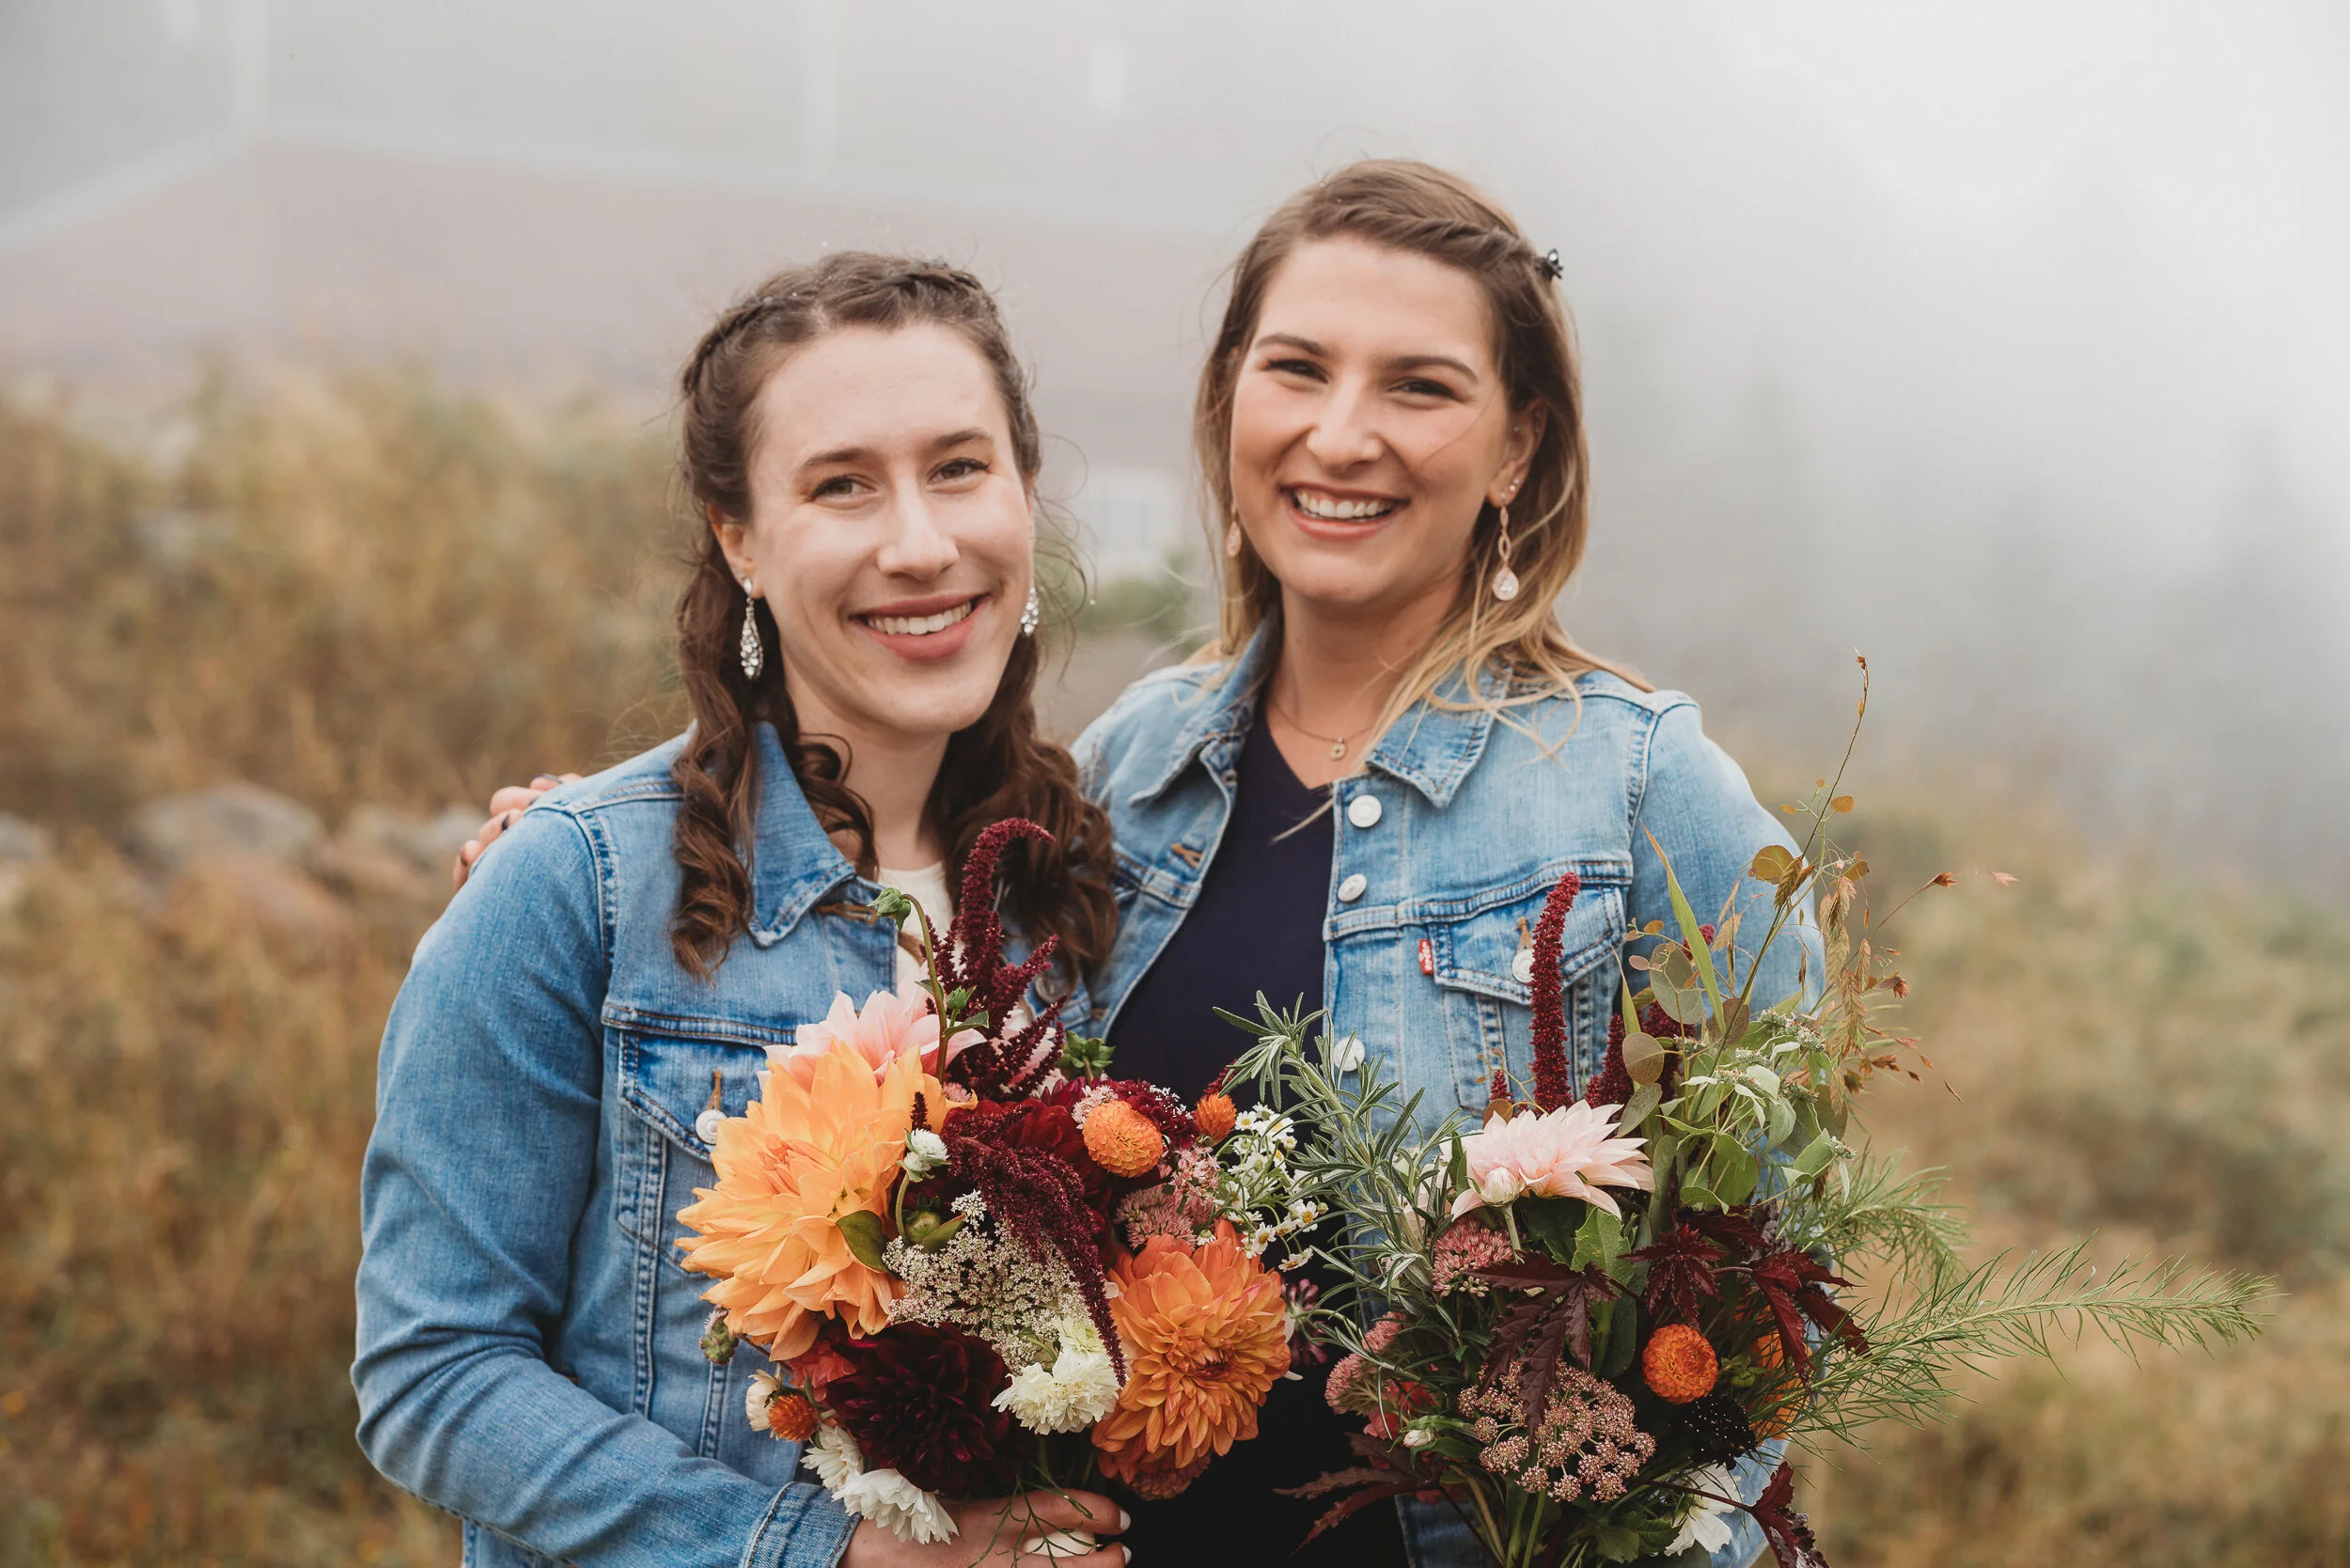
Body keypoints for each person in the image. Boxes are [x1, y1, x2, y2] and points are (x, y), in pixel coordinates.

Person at [459, 162, 1818, 1568]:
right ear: (1231, 400)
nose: (1341, 435)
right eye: (1298, 369)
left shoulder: (1639, 791)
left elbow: (1765, 1340)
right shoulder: (1131, 770)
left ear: (1519, 447)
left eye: (1420, 387)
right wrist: (587, 850)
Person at [353, 252, 1130, 1568]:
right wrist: (816, 1553)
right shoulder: (577, 885)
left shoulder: (1074, 894)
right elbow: (434, 1375)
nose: (919, 543)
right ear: (740, 539)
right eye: (842, 485)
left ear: (1024, 490)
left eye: (959, 468)